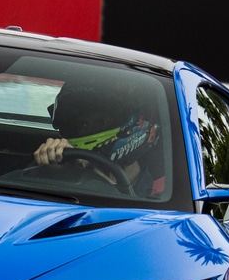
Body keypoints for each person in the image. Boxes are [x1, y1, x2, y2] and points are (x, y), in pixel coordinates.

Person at [32, 84, 164, 196]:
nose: (91, 131)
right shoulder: (71, 166)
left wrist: (91, 171)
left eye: (101, 123)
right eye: (83, 125)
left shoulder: (164, 190)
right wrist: (51, 166)